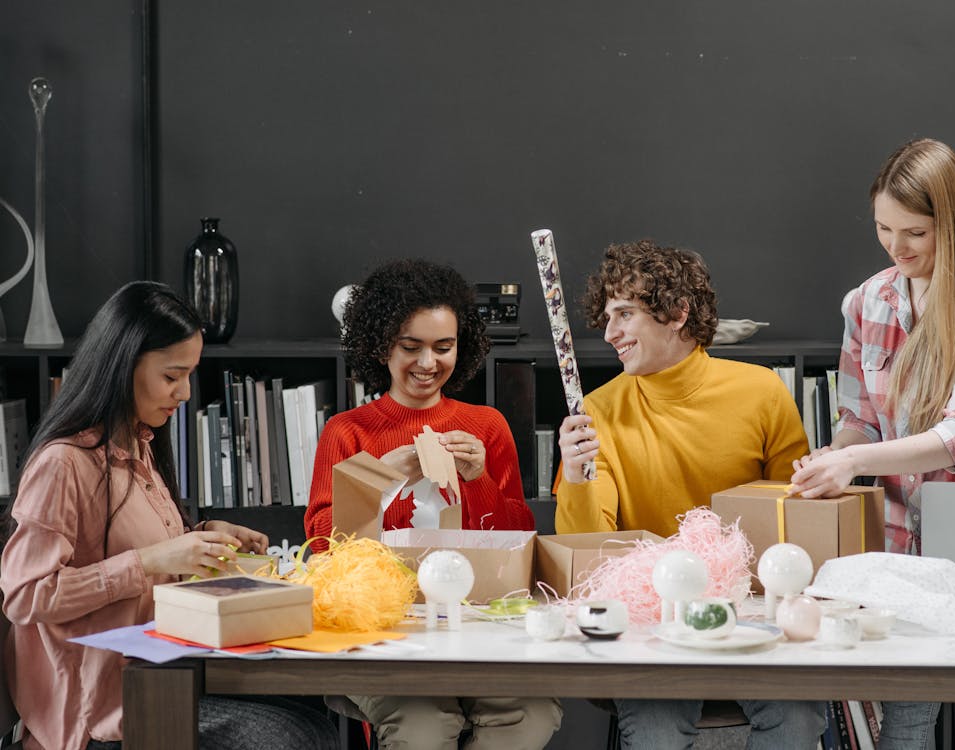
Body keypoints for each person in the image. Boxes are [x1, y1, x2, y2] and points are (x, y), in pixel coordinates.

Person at [0, 281, 338, 750]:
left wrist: (202, 537)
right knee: (293, 739)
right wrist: (152, 560)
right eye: (171, 376)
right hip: (101, 710)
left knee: (319, 713)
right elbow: (26, 596)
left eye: (189, 375)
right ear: (123, 367)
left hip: (162, 675)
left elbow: (140, 551)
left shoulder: (139, 444)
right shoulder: (64, 464)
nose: (183, 392)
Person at [790, 138, 955, 748]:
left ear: (951, 225)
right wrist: (836, 456)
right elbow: (861, 418)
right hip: (904, 533)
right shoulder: (867, 301)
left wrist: (854, 459)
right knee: (906, 711)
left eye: (915, 233)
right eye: (883, 228)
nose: (896, 248)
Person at [556, 240, 824, 749]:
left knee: (796, 719)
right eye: (607, 316)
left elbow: (797, 519)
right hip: (649, 626)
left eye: (626, 314)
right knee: (655, 731)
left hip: (753, 616)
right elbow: (587, 547)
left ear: (677, 313)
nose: (609, 332)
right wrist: (576, 474)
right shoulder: (597, 411)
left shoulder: (762, 392)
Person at [304, 258, 561, 750]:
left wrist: (480, 478)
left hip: (480, 623)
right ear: (381, 347)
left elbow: (518, 538)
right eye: (411, 347)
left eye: (443, 347)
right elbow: (322, 544)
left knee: (530, 716)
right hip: (385, 630)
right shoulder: (348, 432)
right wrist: (382, 479)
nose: (428, 363)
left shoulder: (486, 427)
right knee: (424, 729)